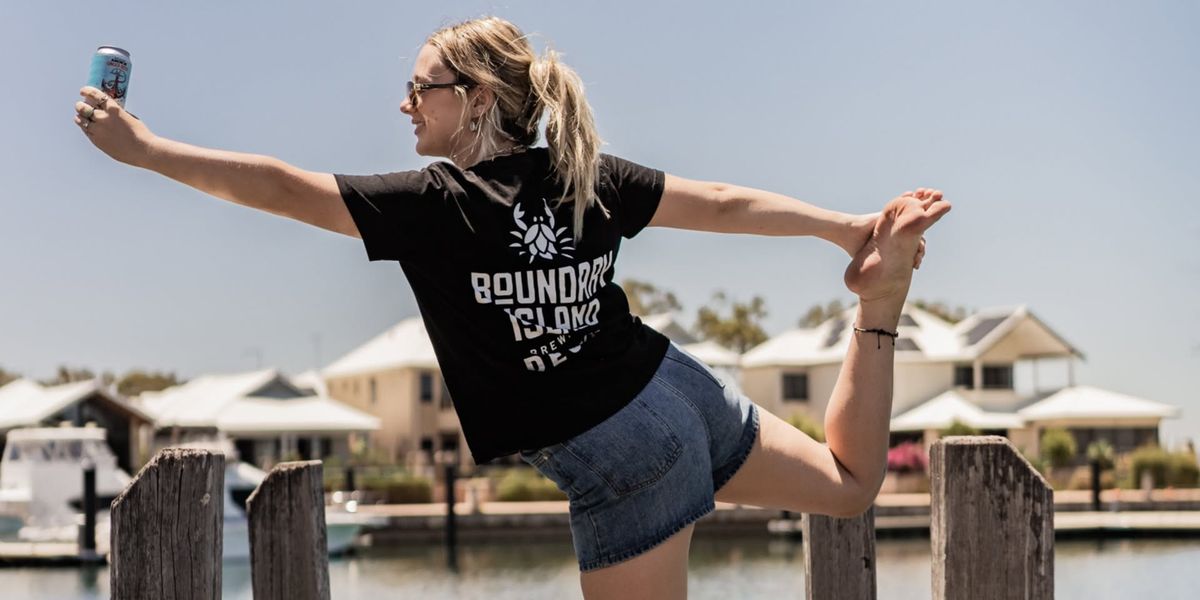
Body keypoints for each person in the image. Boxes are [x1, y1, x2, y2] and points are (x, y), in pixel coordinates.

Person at [74, 16, 950, 600]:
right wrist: (847, 231)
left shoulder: (441, 200)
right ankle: (879, 311)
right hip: (675, 388)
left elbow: (282, 187)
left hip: (624, 449)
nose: (405, 104)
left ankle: (878, 299)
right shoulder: (584, 176)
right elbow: (720, 201)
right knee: (850, 485)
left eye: (421, 88)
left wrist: (147, 150)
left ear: (477, 100)